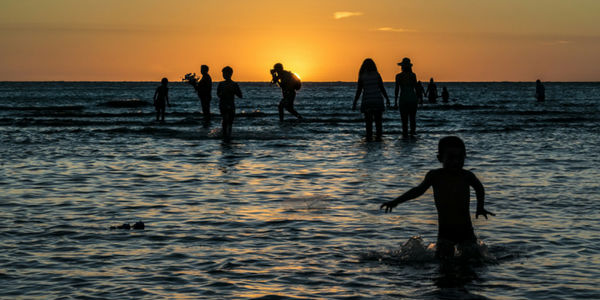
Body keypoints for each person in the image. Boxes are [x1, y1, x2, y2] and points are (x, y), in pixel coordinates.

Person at [380, 136, 495, 260]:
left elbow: (479, 188)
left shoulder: (466, 176)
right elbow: (418, 191)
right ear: (440, 158)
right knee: (443, 264)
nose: (456, 162)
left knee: (473, 263)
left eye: (460, 157)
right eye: (451, 158)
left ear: (465, 157)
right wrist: (396, 201)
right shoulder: (435, 176)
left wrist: (480, 207)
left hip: (465, 229)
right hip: (445, 230)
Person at [352, 58, 391, 141]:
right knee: (378, 123)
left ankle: (369, 139)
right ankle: (378, 139)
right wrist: (387, 98)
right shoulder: (377, 75)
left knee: (368, 124)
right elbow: (382, 87)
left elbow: (359, 91)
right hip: (377, 100)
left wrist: (355, 102)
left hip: (367, 101)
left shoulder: (362, 76)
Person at [395, 58, 419, 137]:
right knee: (412, 119)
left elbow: (397, 89)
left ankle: (405, 134)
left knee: (404, 120)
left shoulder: (399, 76)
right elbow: (416, 87)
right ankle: (412, 134)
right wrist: (420, 98)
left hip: (403, 99)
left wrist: (395, 101)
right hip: (412, 98)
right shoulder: (413, 75)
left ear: (402, 66)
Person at [217, 66, 243, 140]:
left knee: (230, 122)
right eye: (223, 73)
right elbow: (218, 94)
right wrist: (223, 93)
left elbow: (240, 95)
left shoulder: (234, 84)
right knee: (225, 120)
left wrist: (233, 90)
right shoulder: (221, 84)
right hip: (223, 104)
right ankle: (224, 135)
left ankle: (228, 135)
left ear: (230, 74)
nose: (224, 75)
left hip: (231, 105)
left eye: (225, 73)